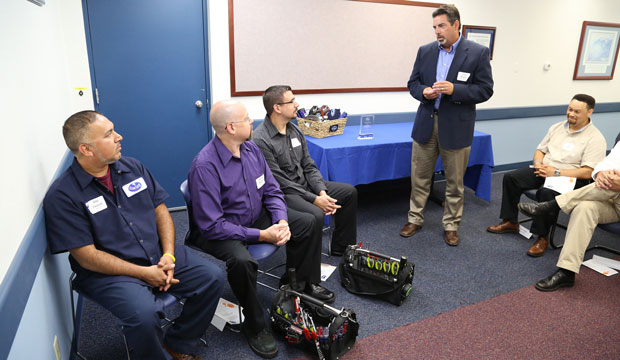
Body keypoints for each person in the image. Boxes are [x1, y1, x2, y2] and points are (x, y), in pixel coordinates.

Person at [43, 110, 224, 360]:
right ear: (86, 149)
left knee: (212, 278)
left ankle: (179, 342)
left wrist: (169, 255)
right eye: (108, 135)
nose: (119, 137)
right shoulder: (63, 196)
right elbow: (87, 257)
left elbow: (161, 211)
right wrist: (144, 273)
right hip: (110, 273)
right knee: (142, 315)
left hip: (157, 253)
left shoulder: (132, 167)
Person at [186, 100, 334, 359]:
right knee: (242, 261)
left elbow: (272, 190)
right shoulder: (205, 165)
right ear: (231, 127)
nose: (252, 121)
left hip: (255, 216)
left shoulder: (251, 149)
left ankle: (300, 288)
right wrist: (262, 235)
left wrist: (281, 221)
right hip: (221, 229)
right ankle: (255, 326)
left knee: (308, 222)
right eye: (246, 119)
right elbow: (212, 225)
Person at [400, 4, 494, 246]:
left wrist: (456, 90)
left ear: (456, 25)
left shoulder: (477, 53)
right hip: (426, 124)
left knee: (454, 182)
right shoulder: (425, 51)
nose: (437, 32)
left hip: (456, 127)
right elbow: (413, 83)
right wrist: (425, 92)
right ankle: (415, 218)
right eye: (434, 27)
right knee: (419, 178)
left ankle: (451, 225)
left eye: (441, 26)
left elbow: (485, 90)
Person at [487, 94, 606, 256]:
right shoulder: (557, 127)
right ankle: (510, 221)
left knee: (546, 193)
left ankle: (542, 237)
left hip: (571, 178)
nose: (571, 114)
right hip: (546, 170)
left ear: (589, 112)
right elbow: (540, 150)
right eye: (570, 109)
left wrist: (556, 173)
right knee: (511, 178)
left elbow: (588, 172)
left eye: (577, 111)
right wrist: (538, 164)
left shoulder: (596, 138)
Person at [253, 85, 358, 257]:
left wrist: (322, 193)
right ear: (277, 108)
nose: (297, 104)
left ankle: (342, 249)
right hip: (285, 193)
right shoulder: (260, 139)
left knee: (348, 192)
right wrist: (315, 199)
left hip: (306, 185)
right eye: (292, 101)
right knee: (315, 213)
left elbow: (308, 165)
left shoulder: (295, 130)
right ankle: (299, 272)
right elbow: (280, 182)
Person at [518, 140, 620, 291]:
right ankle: (567, 271)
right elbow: (603, 164)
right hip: (610, 197)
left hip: (613, 193)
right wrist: (601, 174)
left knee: (610, 185)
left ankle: (550, 205)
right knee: (584, 207)